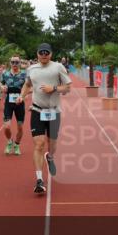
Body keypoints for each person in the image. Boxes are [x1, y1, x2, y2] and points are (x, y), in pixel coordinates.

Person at [18, 44, 71, 195]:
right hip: (37, 110)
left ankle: (51, 156)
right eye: (41, 53)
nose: (43, 55)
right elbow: (27, 85)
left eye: (46, 52)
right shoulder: (31, 69)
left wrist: (53, 89)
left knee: (52, 143)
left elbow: (68, 87)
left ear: (51, 54)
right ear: (37, 54)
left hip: (54, 111)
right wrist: (22, 96)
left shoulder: (58, 67)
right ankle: (39, 180)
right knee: (39, 144)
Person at [0, 55, 28, 155]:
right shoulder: (5, 74)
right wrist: (2, 87)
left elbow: (29, 87)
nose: (15, 64)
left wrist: (23, 95)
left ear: (20, 63)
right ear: (10, 63)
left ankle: (17, 145)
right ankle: (9, 141)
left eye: (17, 62)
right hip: (8, 103)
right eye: (13, 62)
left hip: (20, 103)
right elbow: (1, 84)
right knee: (6, 127)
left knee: (20, 127)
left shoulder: (24, 75)